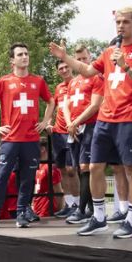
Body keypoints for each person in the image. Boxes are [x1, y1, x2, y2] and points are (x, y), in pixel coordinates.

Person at [49, 6, 132, 238]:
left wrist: (126, 67)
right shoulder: (109, 52)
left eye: (126, 22)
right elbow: (87, 71)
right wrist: (65, 57)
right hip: (105, 119)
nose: (121, 26)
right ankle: (98, 217)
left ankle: (131, 219)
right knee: (95, 167)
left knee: (131, 168)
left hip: (129, 119)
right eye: (118, 22)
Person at [0, 43, 55, 229]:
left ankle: (22, 213)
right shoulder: (4, 81)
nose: (24, 56)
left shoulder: (38, 81)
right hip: (10, 139)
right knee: (2, 176)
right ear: (12, 60)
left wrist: (46, 121)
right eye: (20, 54)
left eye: (26, 53)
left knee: (27, 178)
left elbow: (51, 101)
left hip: (31, 140)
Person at [64, 45, 104, 224]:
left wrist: (76, 121)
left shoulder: (96, 77)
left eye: (84, 59)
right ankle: (90, 209)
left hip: (90, 126)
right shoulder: (72, 82)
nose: (81, 63)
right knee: (78, 168)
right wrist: (69, 123)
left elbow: (95, 105)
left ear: (90, 58)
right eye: (78, 60)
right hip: (74, 129)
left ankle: (81, 210)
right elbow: (66, 104)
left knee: (86, 166)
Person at [50, 60, 80, 217]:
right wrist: (48, 123)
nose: (63, 70)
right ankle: (68, 204)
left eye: (66, 67)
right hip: (57, 133)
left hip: (72, 131)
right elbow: (54, 106)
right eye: (60, 68)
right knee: (61, 169)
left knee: (71, 169)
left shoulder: (78, 83)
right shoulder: (59, 88)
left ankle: (78, 203)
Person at [33, 139, 63, 218]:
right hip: (37, 211)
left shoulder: (51, 168)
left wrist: (59, 212)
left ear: (42, 149)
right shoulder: (37, 166)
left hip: (47, 211)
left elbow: (58, 192)